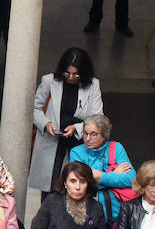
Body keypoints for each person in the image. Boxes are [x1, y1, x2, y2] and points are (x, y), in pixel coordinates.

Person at [29, 48, 104, 196]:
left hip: (77, 143)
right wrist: (46, 123)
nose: (71, 77)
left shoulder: (93, 85)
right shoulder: (49, 81)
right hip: (52, 141)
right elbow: (35, 108)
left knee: (76, 186)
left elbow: (98, 117)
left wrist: (76, 128)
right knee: (50, 188)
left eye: (76, 74)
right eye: (67, 73)